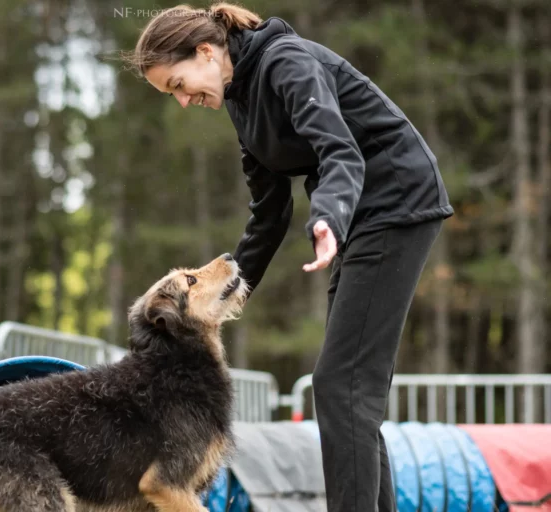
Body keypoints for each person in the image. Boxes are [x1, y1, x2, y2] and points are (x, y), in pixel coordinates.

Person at [125, 2, 453, 512]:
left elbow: (339, 150)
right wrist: (228, 291)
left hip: (395, 202)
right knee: (348, 394)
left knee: (341, 386)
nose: (184, 101)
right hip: (356, 216)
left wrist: (328, 217)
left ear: (206, 51)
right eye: (173, 94)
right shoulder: (239, 97)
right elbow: (269, 211)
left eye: (178, 84)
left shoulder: (286, 63)